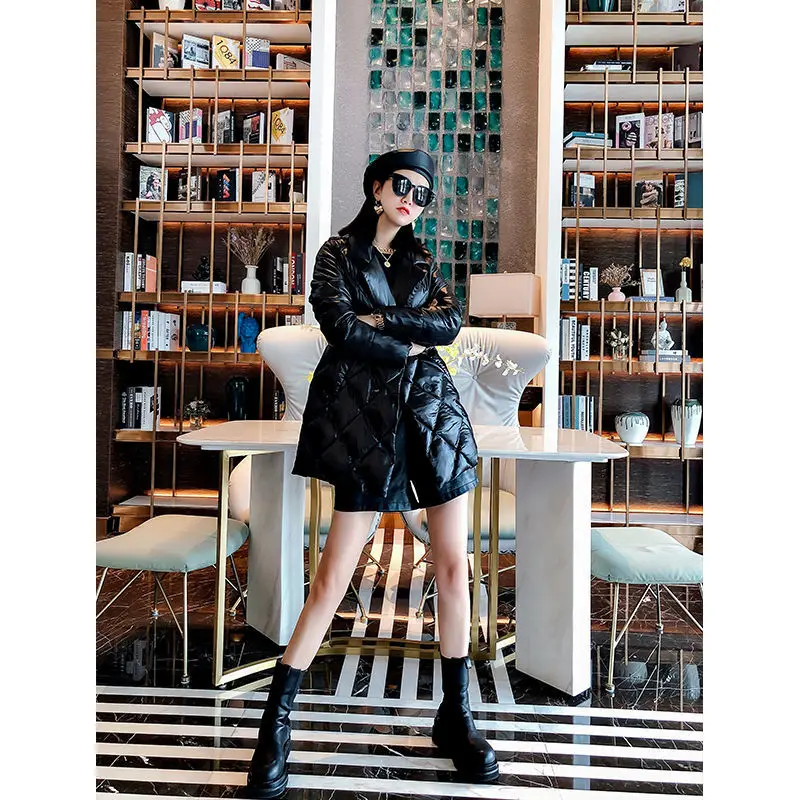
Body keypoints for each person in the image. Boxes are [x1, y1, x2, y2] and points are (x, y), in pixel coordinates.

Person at [245, 148, 499, 798]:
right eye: (402, 186)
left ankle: (456, 716)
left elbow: (448, 324)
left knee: (453, 566)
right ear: (377, 188)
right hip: (363, 417)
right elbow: (337, 325)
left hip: (432, 413)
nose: (413, 198)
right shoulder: (337, 253)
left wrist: (386, 320)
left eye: (424, 192)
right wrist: (404, 341)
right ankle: (275, 725)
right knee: (332, 576)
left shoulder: (423, 261)